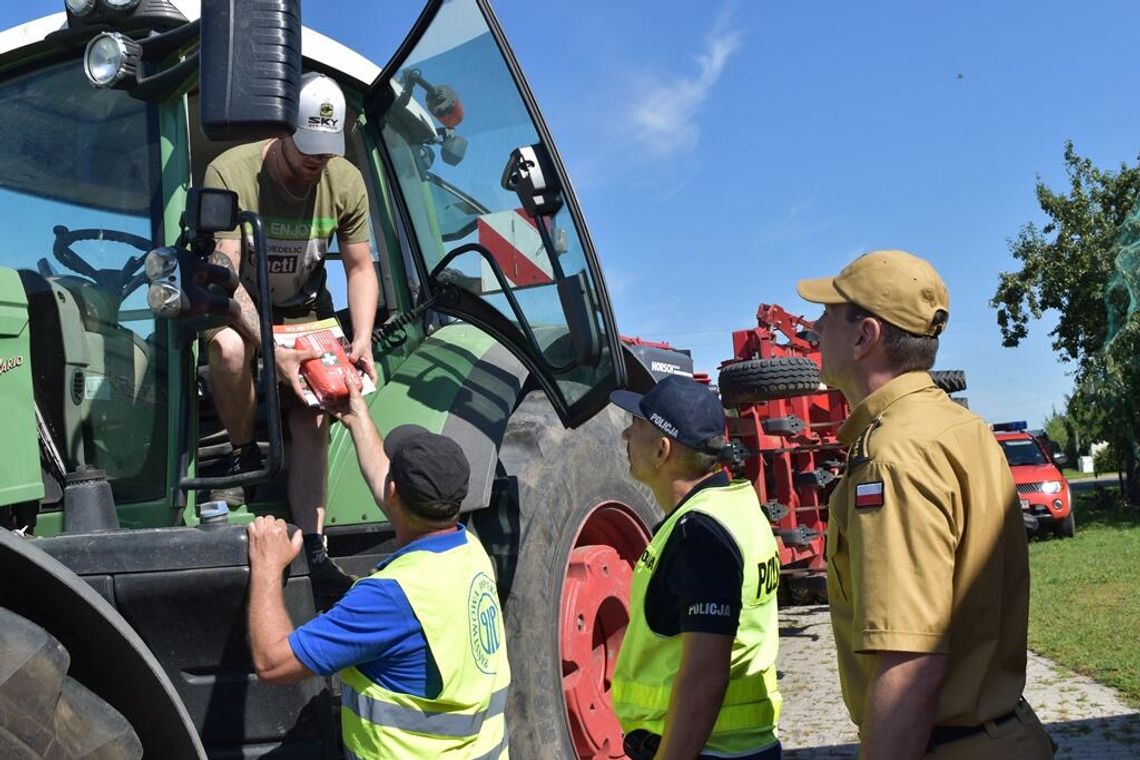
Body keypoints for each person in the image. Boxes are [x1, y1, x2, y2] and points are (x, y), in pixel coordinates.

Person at [797, 249, 1054, 758]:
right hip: (1000, 735)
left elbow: (910, 662)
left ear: (864, 336)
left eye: (828, 313)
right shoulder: (961, 428)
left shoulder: (892, 456)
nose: (812, 325)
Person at [245, 375, 510, 759]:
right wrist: (357, 417)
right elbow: (390, 491)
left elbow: (271, 662)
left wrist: (268, 568)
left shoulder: (391, 595)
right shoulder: (469, 550)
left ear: (393, 494)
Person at [203, 72, 379, 593]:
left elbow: (361, 268)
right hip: (245, 307)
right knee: (228, 348)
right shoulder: (230, 171)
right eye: (306, 151)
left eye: (324, 155)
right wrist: (270, 346)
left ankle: (314, 548)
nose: (313, 165)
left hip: (306, 314)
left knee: (315, 412)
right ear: (282, 129)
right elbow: (226, 275)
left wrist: (361, 336)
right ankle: (242, 452)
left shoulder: (343, 181)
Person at [609, 375, 783, 760]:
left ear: (661, 450)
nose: (624, 437)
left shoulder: (699, 535)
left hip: (708, 749)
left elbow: (704, 675)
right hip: (742, 745)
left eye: (636, 428)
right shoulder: (736, 506)